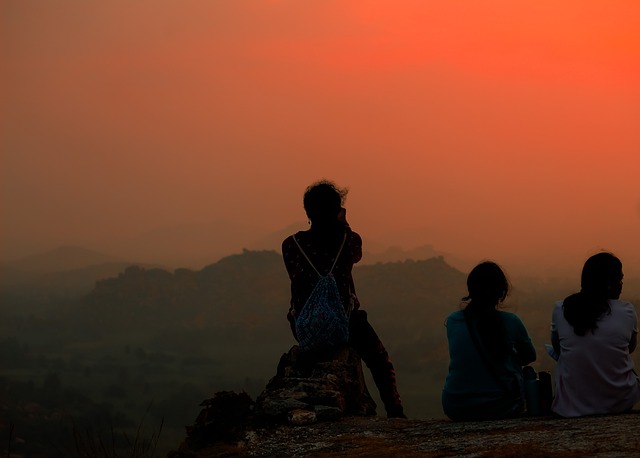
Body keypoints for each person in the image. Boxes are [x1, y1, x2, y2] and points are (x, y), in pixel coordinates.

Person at [282, 180, 405, 418]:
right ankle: (395, 411)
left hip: (305, 327)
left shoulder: (291, 245)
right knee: (379, 360)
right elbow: (356, 255)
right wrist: (343, 224)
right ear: (338, 211)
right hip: (346, 324)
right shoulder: (349, 240)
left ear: (308, 212)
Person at [442, 261, 536, 421]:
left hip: (456, 407)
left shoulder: (453, 320)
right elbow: (529, 357)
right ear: (501, 293)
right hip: (501, 407)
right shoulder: (511, 321)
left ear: (471, 290)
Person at [551, 252, 640, 417]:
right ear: (607, 283)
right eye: (618, 279)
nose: (621, 284)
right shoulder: (627, 311)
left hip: (571, 406)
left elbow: (557, 348)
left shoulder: (561, 309)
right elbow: (630, 348)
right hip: (621, 402)